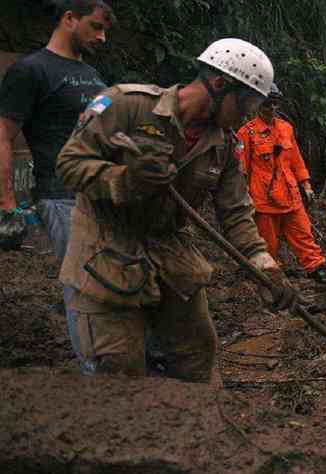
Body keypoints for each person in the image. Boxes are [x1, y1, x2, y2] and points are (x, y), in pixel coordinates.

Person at [55, 38, 297, 382]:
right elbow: (68, 164)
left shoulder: (224, 144)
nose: (248, 113)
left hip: (171, 253)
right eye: (246, 102)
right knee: (120, 368)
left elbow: (236, 212)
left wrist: (264, 267)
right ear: (218, 84)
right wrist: (125, 179)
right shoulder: (125, 104)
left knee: (198, 354)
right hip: (107, 251)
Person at [0, 0, 114, 361]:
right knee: (83, 286)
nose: (103, 37)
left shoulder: (95, 76)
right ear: (69, 19)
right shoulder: (32, 71)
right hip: (61, 196)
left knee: (112, 279)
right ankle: (94, 371)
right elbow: (2, 136)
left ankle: (116, 361)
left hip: (103, 193)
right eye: (95, 26)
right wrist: (7, 205)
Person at [235, 83, 326, 285]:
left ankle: (316, 269)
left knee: (304, 235)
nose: (272, 108)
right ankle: (269, 279)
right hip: (264, 200)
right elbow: (241, 169)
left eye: (276, 103)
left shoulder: (286, 128)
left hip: (291, 195)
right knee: (268, 244)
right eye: (268, 104)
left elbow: (296, 159)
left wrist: (306, 184)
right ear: (258, 104)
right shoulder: (247, 133)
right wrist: (243, 197)